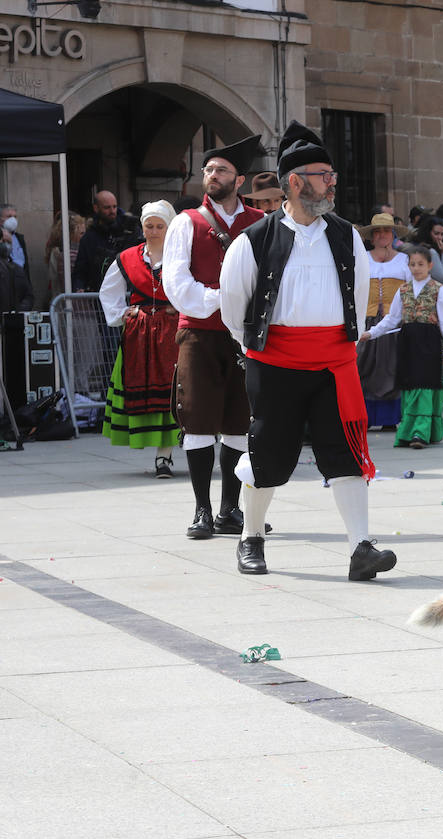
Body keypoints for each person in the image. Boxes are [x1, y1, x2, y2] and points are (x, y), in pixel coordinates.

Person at [220, 120, 397, 582]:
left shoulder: (344, 235)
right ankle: (251, 537)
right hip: (274, 361)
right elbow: (233, 308)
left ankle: (361, 547)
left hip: (334, 361)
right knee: (269, 454)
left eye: (333, 173)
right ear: (294, 182)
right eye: (324, 174)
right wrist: (258, 347)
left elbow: (357, 296)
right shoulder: (253, 240)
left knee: (346, 451)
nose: (332, 181)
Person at [162, 134, 266, 539]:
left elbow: (269, 277)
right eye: (208, 169)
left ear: (238, 179)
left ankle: (230, 510)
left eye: (221, 170)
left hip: (244, 337)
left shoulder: (259, 222)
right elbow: (176, 284)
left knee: (240, 423)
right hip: (199, 334)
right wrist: (223, 299)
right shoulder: (186, 222)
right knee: (199, 421)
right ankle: (202, 510)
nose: (212, 175)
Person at [97, 200, 180, 474]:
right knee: (143, 387)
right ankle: (160, 454)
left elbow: (196, 285)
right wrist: (123, 314)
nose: (154, 231)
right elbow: (108, 291)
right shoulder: (128, 257)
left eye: (160, 226)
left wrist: (179, 307)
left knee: (175, 389)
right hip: (139, 334)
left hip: (173, 333)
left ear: (170, 227)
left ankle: (165, 454)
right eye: (149, 226)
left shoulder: (181, 255)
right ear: (142, 227)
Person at [361, 244, 443, 447]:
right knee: (409, 385)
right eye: (412, 264)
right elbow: (391, 319)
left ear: (430, 265)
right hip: (407, 342)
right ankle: (409, 431)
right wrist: (371, 333)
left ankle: (420, 432)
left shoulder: (439, 290)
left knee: (425, 385)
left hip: (428, 342)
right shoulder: (402, 290)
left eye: (421, 264)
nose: (416, 268)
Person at [356, 213, 409, 429]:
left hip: (394, 322)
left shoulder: (404, 260)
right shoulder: (361, 257)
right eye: (378, 232)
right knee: (363, 366)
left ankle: (390, 420)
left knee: (391, 367)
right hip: (366, 320)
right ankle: (364, 417)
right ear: (371, 237)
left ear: (393, 234)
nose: (382, 236)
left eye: (386, 231)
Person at [75, 191, 142, 293]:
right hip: (99, 291)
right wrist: (79, 286)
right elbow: (81, 268)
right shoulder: (89, 237)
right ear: (96, 208)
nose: (112, 211)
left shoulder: (130, 230)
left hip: (126, 290)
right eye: (107, 208)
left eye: (114, 207)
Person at [0, 204, 29, 281]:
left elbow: (25, 265)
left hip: (20, 280)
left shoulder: (19, 238)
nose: (13, 220)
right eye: (9, 216)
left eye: (15, 217)